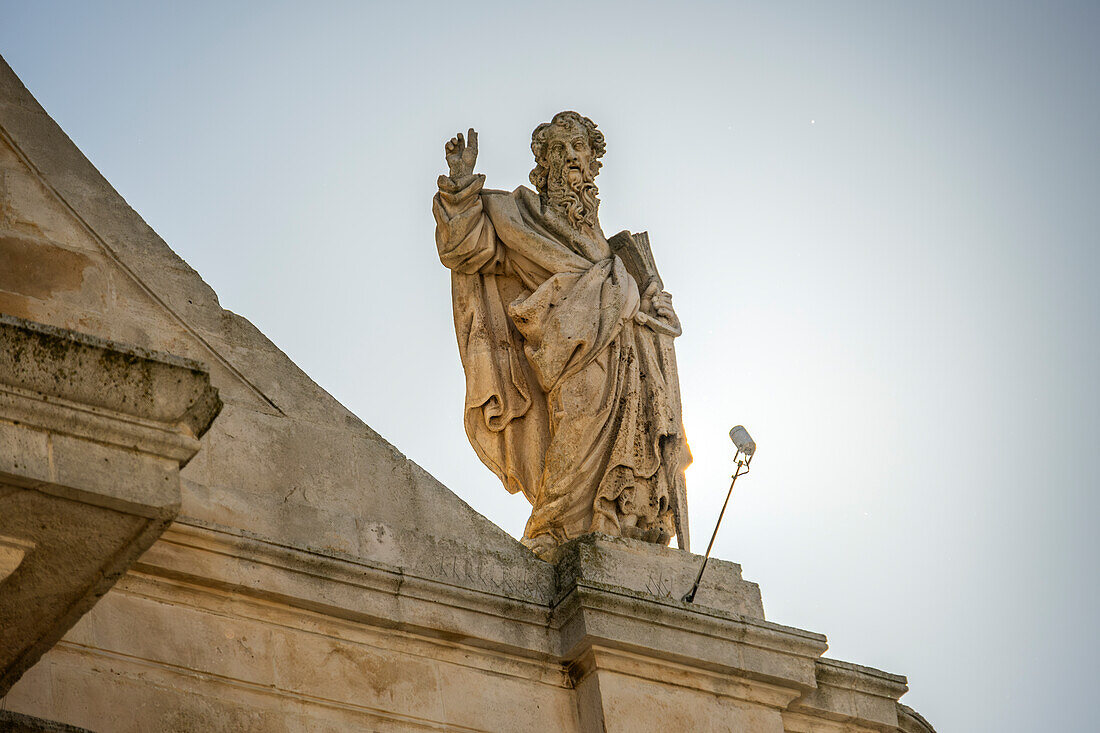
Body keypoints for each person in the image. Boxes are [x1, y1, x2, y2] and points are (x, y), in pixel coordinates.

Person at [433, 111, 688, 557]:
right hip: (568, 356)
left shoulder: (614, 250)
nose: (571, 156)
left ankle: (620, 519)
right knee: (574, 428)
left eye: (579, 149)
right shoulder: (521, 216)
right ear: (544, 164)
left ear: (593, 164)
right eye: (559, 149)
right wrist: (460, 187)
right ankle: (552, 529)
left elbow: (646, 313)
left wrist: (656, 308)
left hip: (628, 357)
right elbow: (467, 248)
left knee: (634, 443)